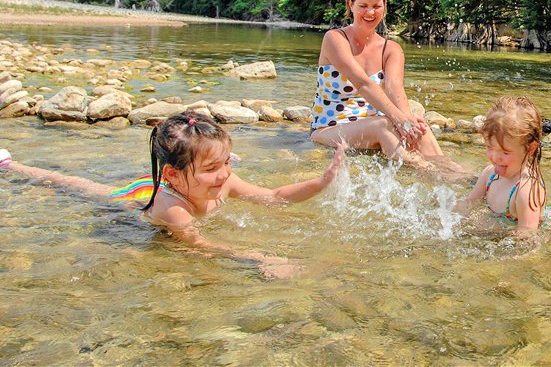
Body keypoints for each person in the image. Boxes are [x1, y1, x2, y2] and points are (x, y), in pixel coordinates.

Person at [0, 111, 344, 278]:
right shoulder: (173, 213)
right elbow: (198, 246)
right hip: (142, 195)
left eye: (226, 162)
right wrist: (259, 257)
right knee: (79, 187)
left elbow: (274, 195)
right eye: (211, 167)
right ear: (173, 173)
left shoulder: (225, 180)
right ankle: (15, 168)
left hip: (172, 183)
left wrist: (321, 181)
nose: (224, 173)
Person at [309, 0, 466, 179]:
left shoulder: (391, 49)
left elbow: (394, 88)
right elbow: (363, 83)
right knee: (386, 124)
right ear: (350, 4)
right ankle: (436, 175)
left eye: (376, 6)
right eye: (363, 6)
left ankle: (464, 177)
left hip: (374, 126)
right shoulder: (335, 39)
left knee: (418, 124)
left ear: (384, 5)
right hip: (329, 129)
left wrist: (408, 121)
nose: (370, 12)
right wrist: (398, 118)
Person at [460, 96, 547, 235]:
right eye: (490, 147)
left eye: (505, 152)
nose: (495, 157)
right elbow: (469, 204)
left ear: (530, 148)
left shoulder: (525, 190)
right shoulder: (489, 174)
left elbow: (528, 237)